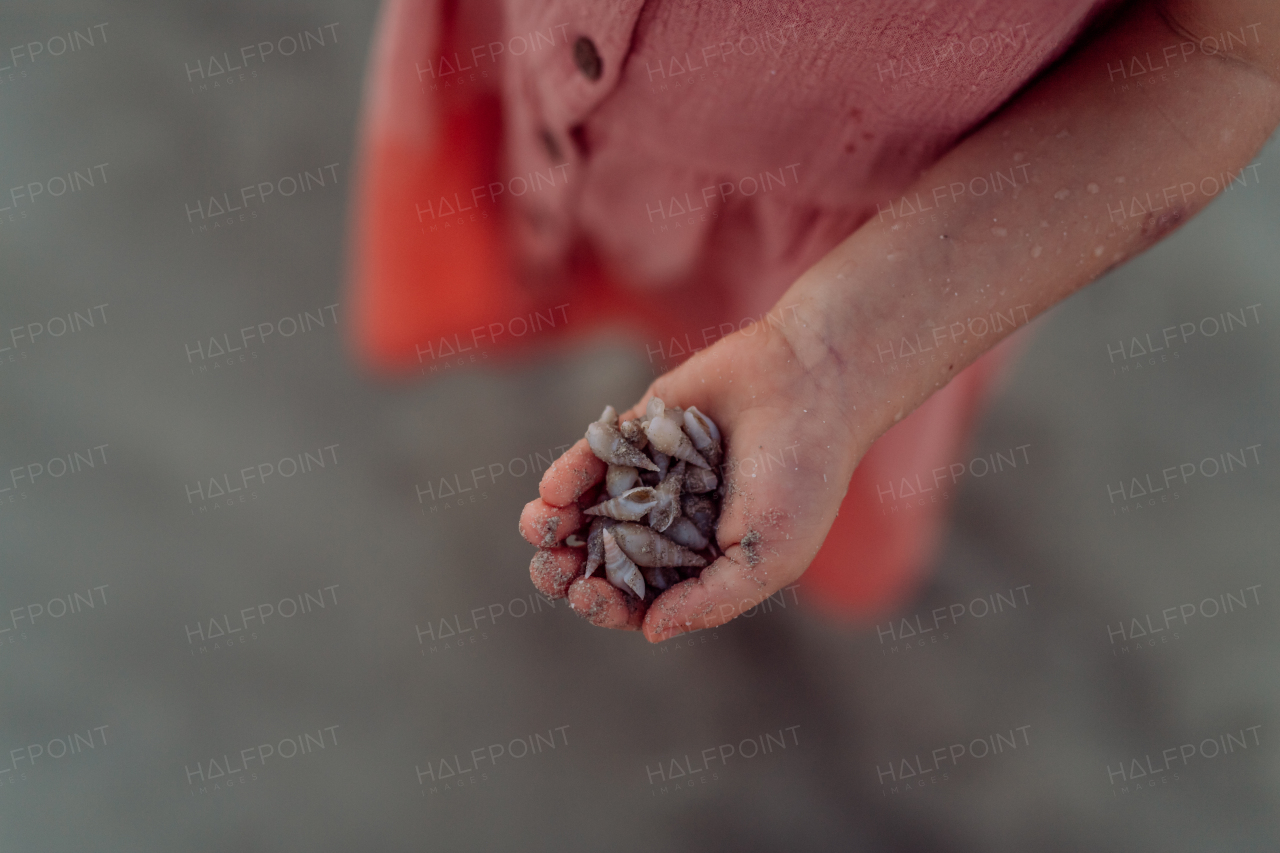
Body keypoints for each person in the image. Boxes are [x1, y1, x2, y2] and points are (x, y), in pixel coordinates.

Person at [348, 0, 1280, 641]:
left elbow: (1224, 49)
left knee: (735, 353)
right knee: (605, 274)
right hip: (521, 62)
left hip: (888, 255)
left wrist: (834, 365)